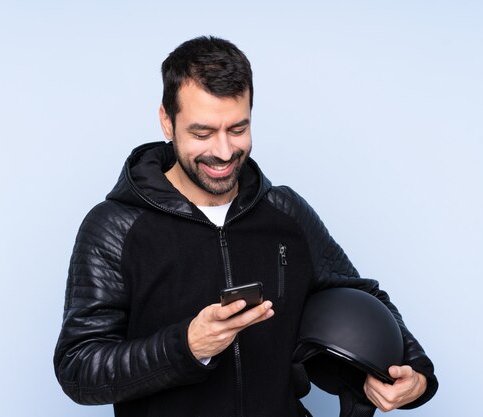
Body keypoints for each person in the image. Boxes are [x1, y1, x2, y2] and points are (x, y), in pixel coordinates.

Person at [54, 36, 438, 417]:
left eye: (237, 129)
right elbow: (79, 367)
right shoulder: (114, 228)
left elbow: (361, 295)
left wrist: (414, 372)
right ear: (167, 123)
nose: (223, 152)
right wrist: (187, 347)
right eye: (202, 133)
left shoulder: (285, 211)